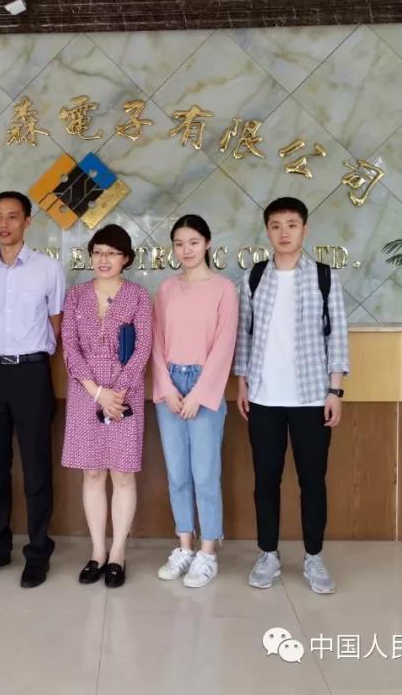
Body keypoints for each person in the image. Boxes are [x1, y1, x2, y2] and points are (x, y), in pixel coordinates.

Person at [234, 196, 349, 595]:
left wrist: (335, 390)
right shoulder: (254, 277)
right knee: (265, 480)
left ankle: (314, 556)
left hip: (312, 397)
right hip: (264, 397)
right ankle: (268, 553)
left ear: (305, 229)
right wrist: (242, 382)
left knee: (312, 480)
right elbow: (244, 334)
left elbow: (338, 336)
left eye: (292, 225)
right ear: (267, 231)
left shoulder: (324, 276)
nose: (284, 233)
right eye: (276, 225)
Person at [0, 191, 65, 588]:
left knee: (37, 466)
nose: (4, 224)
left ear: (28, 222)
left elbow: (56, 323)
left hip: (32, 373)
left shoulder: (48, 269)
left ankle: (38, 551)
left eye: (12, 216)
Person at [60, 224, 152, 589]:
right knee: (93, 473)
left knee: (123, 474)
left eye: (112, 253)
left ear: (125, 259)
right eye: (98, 252)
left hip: (125, 396)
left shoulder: (138, 296)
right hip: (86, 394)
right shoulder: (76, 295)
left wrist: (118, 393)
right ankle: (97, 552)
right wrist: (97, 392)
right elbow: (70, 347)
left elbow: (142, 348)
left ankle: (118, 553)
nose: (104, 259)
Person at [152, 214, 238, 589]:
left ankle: (208, 553)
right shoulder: (166, 289)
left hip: (205, 384)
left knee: (205, 474)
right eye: (179, 243)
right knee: (177, 474)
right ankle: (184, 545)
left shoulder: (224, 289)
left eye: (193, 242)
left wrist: (199, 394)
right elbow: (155, 342)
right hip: (169, 386)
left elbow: (224, 346)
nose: (186, 250)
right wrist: (168, 389)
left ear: (207, 243)